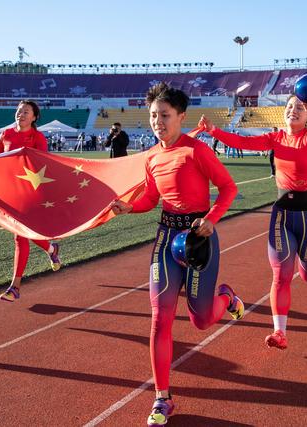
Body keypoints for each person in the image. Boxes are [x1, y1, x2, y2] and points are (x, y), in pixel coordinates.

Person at [111, 83, 244, 426]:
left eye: (165, 115)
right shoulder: (152, 156)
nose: (158, 121)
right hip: (167, 238)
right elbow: (152, 199)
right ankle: (162, 398)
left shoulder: (197, 151)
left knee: (201, 319)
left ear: (181, 117)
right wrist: (129, 207)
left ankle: (226, 298)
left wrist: (211, 220)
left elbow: (229, 189)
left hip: (199, 238)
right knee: (160, 318)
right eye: (153, 115)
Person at [197, 93, 307, 350]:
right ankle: (279, 332)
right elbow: (242, 142)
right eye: (289, 106)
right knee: (281, 276)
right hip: (282, 215)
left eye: (299, 107)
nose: (293, 110)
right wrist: (213, 130)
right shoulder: (275, 138)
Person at [0, 100, 62, 302]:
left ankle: (15, 287)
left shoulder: (37, 137)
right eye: (18, 111)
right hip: (9, 192)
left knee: (20, 236)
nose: (21, 114)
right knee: (24, 232)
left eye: (26, 112)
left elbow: (43, 164)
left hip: (29, 193)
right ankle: (51, 248)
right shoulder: (6, 134)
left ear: (34, 117)